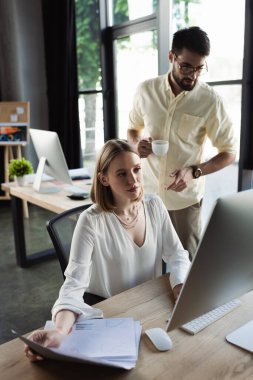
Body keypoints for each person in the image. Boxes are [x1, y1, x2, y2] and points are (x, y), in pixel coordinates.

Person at [24, 139, 190, 361]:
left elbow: (177, 254)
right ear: (104, 179)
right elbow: (73, 285)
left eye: (137, 170)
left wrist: (179, 285)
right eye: (121, 174)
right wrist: (59, 331)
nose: (133, 180)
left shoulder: (154, 205)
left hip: (150, 307)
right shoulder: (90, 221)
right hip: (112, 318)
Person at [128, 26, 237, 260]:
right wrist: (137, 144)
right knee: (145, 263)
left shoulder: (210, 101)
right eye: (186, 66)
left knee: (186, 266)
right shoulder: (146, 90)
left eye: (199, 68)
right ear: (171, 57)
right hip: (144, 196)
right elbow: (132, 127)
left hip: (185, 202)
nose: (193, 75)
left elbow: (229, 153)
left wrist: (194, 171)